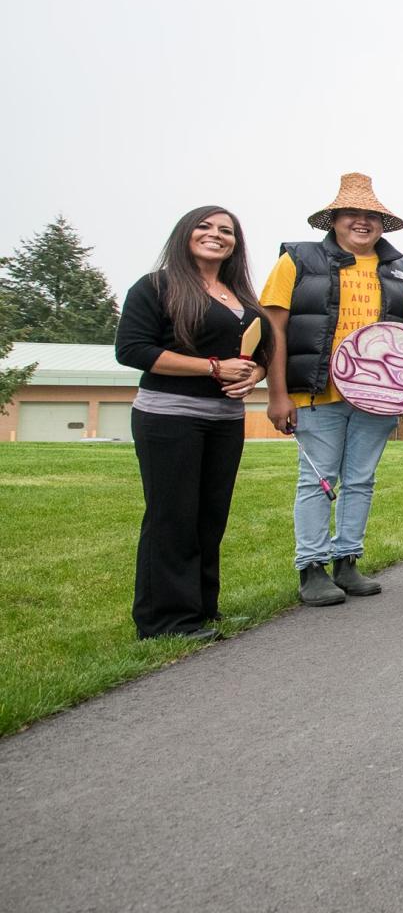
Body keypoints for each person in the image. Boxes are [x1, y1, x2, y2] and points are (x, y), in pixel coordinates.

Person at [261, 173, 403, 607]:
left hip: (377, 399)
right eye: (351, 213)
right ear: (333, 220)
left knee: (361, 480)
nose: (361, 221)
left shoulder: (402, 271)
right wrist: (277, 394)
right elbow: (273, 329)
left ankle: (347, 561)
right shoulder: (297, 260)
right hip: (317, 394)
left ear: (382, 224)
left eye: (371, 215)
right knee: (317, 481)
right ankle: (312, 568)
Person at [114, 206, 270, 640]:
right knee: (173, 516)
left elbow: (260, 356)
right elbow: (132, 350)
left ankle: (201, 609)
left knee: (209, 517)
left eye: (226, 230)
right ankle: (164, 621)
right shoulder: (156, 286)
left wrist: (253, 376)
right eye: (204, 226)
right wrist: (213, 368)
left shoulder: (239, 295)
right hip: (169, 416)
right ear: (184, 233)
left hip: (224, 420)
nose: (215, 234)